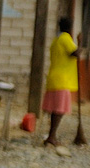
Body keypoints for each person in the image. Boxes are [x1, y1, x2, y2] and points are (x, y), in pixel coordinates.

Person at [42, 17, 80, 146]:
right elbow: (75, 53)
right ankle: (52, 136)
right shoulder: (65, 38)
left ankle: (51, 136)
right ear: (70, 28)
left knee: (55, 109)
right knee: (59, 110)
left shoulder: (56, 40)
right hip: (62, 80)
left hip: (54, 78)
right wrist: (80, 43)